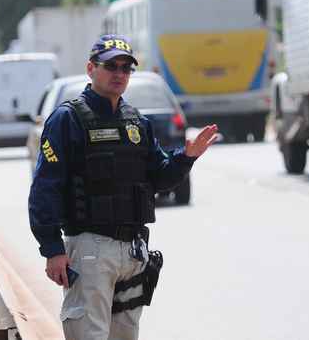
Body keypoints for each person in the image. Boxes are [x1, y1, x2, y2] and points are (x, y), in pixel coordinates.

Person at [28, 34, 219, 340]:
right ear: (91, 69)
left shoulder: (136, 123)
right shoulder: (67, 119)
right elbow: (45, 188)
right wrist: (52, 249)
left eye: (126, 68)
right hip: (90, 249)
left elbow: (160, 177)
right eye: (111, 66)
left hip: (132, 253)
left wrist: (186, 158)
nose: (119, 74)